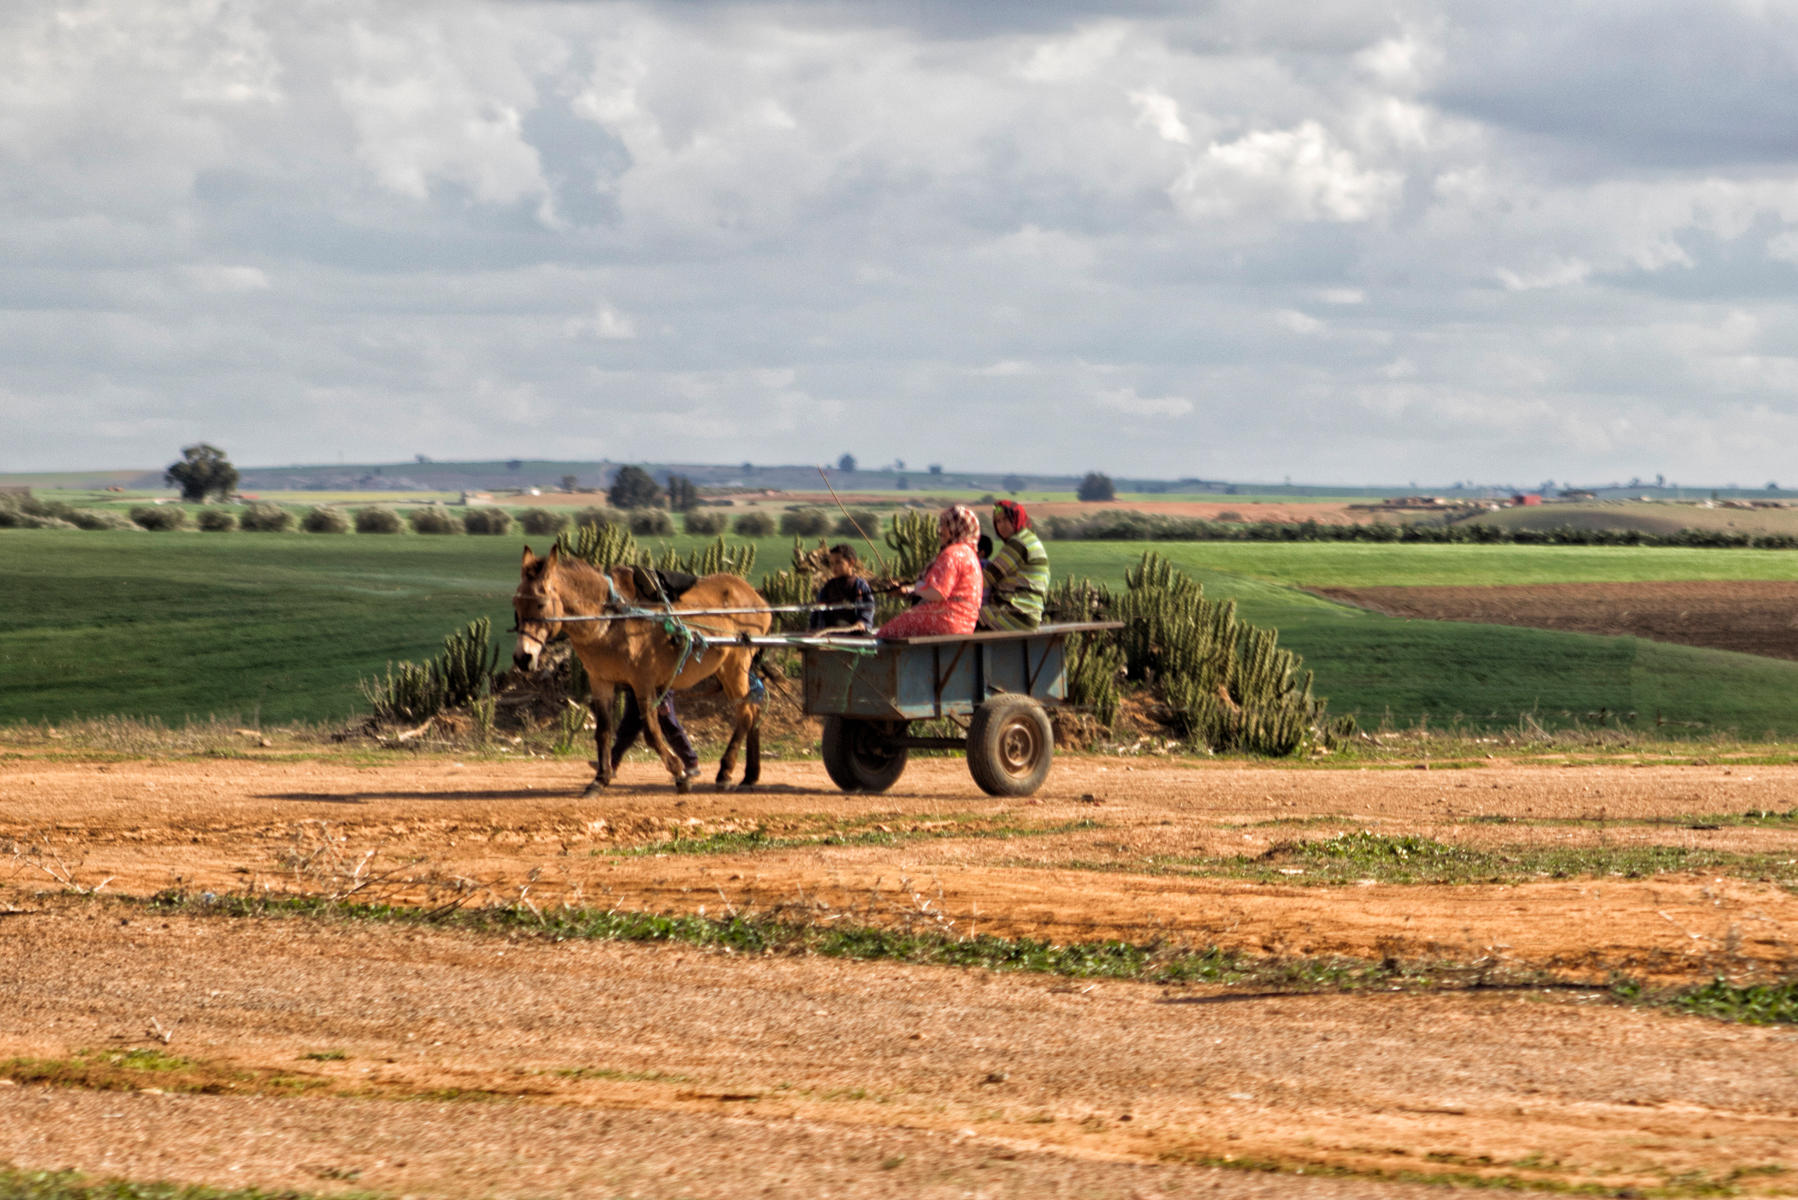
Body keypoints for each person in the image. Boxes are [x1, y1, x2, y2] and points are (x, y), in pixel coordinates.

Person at [876, 505, 983, 638]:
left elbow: (938, 592)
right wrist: (910, 591)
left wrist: (918, 587)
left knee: (885, 634)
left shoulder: (952, 553)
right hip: (965, 624)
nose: (940, 530)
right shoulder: (970, 555)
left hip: (946, 618)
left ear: (956, 528)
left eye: (945, 525)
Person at [979, 499, 1049, 630]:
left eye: (1006, 519)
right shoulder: (1029, 539)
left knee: (962, 620)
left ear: (1017, 518)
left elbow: (987, 578)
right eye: (998, 521)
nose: (1001, 525)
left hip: (1014, 613)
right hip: (1026, 614)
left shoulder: (1018, 543)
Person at [611, 689, 699, 780]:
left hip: (659, 687)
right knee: (629, 723)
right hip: (636, 688)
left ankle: (690, 762)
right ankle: (611, 762)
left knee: (668, 723)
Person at [810, 543, 877, 632]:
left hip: (853, 632)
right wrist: (813, 628)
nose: (834, 567)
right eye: (831, 563)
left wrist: (862, 622)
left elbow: (868, 606)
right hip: (828, 633)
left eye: (838, 562)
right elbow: (817, 609)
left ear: (851, 563)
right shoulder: (828, 587)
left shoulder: (859, 585)